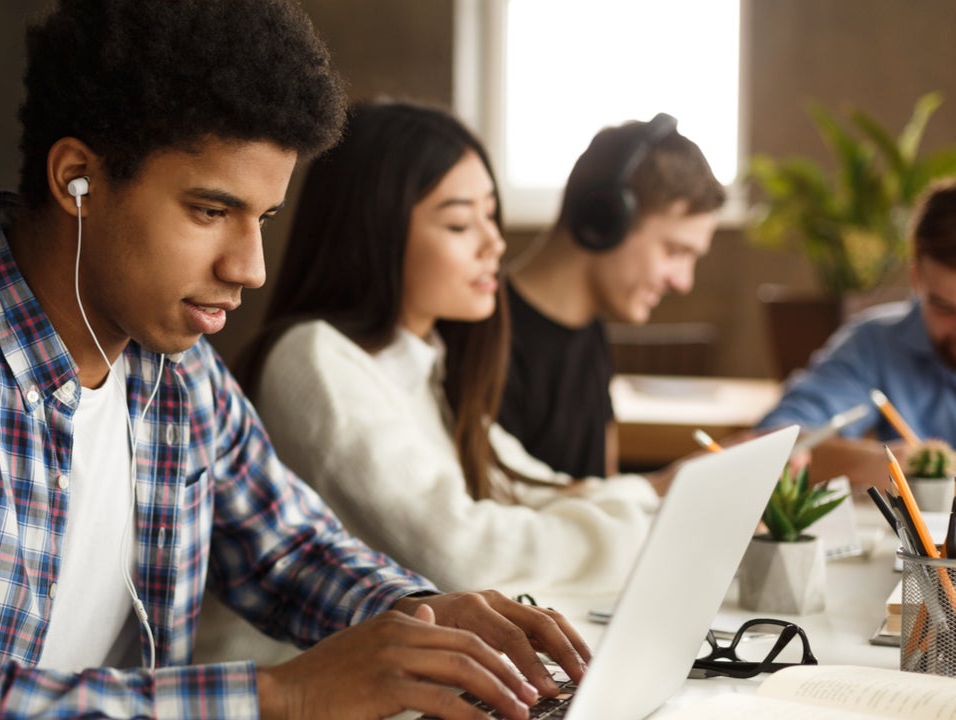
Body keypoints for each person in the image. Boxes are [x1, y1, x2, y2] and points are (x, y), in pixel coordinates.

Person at [0, 2, 590, 718]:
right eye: (211, 210)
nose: (250, 267)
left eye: (263, 218)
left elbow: (287, 551)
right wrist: (283, 698)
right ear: (77, 180)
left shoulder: (176, 371)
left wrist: (429, 623)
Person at [233, 100, 658, 595]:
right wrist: (645, 525)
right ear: (376, 231)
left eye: (491, 216)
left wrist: (652, 495)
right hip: (297, 668)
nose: (494, 244)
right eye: (460, 224)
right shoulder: (315, 359)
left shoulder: (425, 364)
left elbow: (532, 488)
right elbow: (463, 555)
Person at [499, 116, 727, 478]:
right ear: (605, 220)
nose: (684, 282)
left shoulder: (590, 330)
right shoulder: (486, 340)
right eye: (674, 251)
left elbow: (604, 496)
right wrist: (661, 488)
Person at [754, 178, 956, 486]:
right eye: (944, 307)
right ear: (917, 280)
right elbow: (776, 439)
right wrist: (876, 462)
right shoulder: (875, 344)